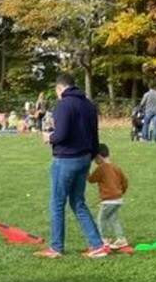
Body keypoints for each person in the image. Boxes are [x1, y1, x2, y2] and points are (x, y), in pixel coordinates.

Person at [34, 75, 109, 258]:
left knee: (57, 203)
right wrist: (92, 156)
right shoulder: (89, 105)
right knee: (78, 202)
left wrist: (48, 137)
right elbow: (94, 136)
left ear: (60, 88)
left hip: (65, 160)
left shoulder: (63, 105)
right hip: (84, 158)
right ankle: (97, 244)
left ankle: (56, 248)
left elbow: (61, 135)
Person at [87, 143, 129, 251]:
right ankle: (121, 239)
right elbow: (125, 181)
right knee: (113, 219)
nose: (95, 161)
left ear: (99, 157)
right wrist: (120, 192)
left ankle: (102, 240)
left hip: (108, 200)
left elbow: (91, 179)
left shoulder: (101, 168)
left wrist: (86, 170)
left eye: (95, 159)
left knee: (101, 220)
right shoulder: (116, 167)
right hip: (118, 199)